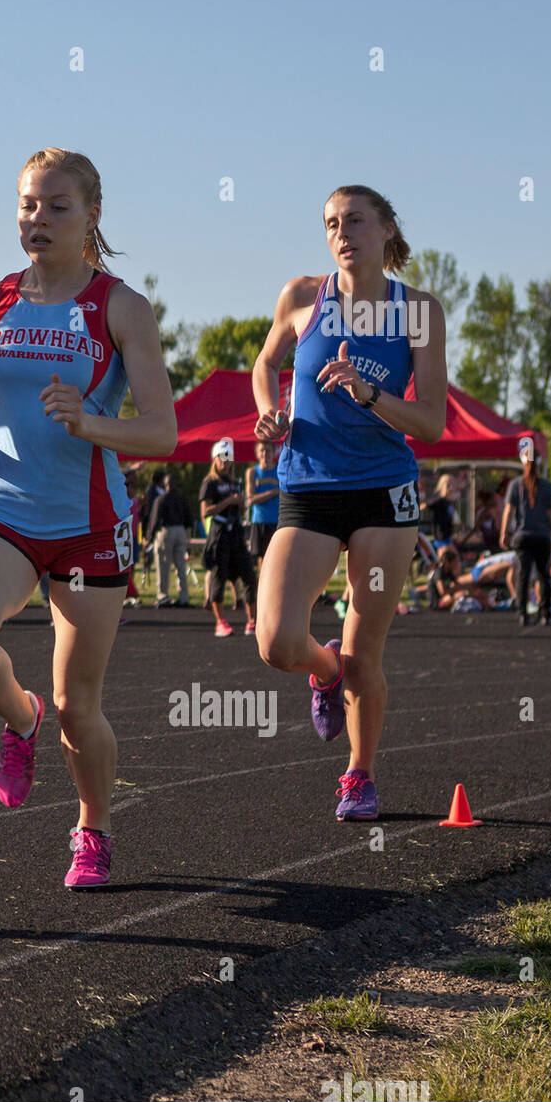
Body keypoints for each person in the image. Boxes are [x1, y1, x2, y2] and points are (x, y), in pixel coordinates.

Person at [0, 147, 176, 888]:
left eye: (57, 207)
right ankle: (19, 716)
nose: (38, 219)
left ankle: (93, 828)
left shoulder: (121, 308)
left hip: (88, 521)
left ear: (91, 216)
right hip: (4, 510)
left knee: (81, 705)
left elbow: (163, 433)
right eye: (28, 205)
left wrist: (93, 424)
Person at [252, 184, 447, 822]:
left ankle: (359, 775)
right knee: (277, 641)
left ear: (387, 229)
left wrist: (369, 396)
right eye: (332, 223)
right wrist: (268, 413)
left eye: (356, 221)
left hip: (384, 493)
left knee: (368, 654)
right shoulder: (301, 296)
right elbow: (264, 363)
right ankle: (322, 667)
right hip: (307, 484)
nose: (343, 233)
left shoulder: (418, 311)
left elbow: (431, 422)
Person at [199, 440, 257, 636]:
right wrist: (229, 501)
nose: (226, 462)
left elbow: (241, 510)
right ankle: (220, 622)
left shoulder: (235, 482)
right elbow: (206, 511)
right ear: (214, 459)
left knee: (249, 575)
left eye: (228, 458)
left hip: (236, 532)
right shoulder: (210, 482)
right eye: (222, 458)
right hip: (219, 533)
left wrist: (241, 503)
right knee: (218, 576)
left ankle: (252, 621)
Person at [501, 437, 551, 627]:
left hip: (522, 535)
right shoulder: (547, 486)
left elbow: (508, 511)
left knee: (523, 575)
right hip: (542, 536)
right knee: (544, 576)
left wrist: (504, 534)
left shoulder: (515, 485)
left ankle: (522, 613)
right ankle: (545, 613)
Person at [145, 470, 193, 607]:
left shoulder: (161, 499)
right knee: (181, 565)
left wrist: (148, 537)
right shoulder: (182, 498)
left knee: (163, 565)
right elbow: (190, 518)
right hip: (181, 531)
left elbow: (154, 520)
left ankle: (163, 595)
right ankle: (183, 596)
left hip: (166, 531)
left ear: (165, 484)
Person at [245, 439, 280, 576]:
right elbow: (250, 499)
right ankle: (263, 589)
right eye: (262, 451)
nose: (265, 454)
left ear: (273, 453)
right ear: (257, 453)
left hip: (278, 521)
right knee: (262, 559)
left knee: (278, 558)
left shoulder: (279, 470)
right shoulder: (252, 472)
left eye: (268, 451)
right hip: (260, 521)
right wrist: (274, 492)